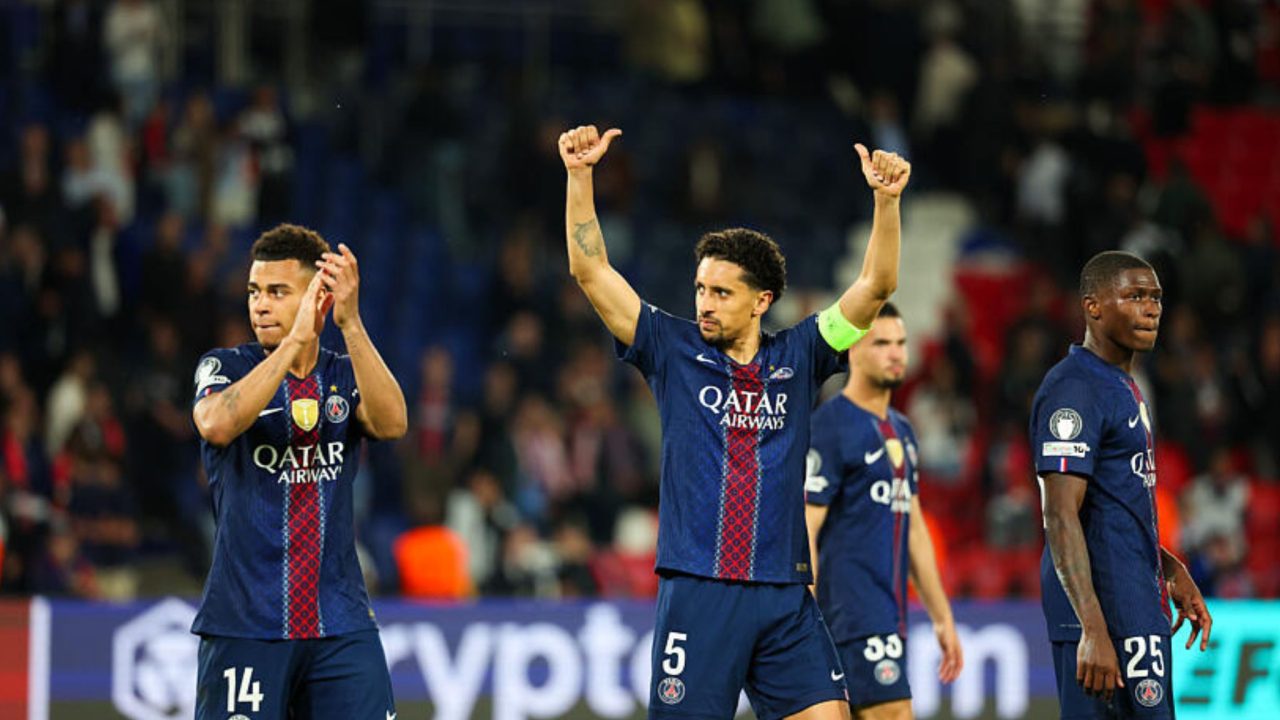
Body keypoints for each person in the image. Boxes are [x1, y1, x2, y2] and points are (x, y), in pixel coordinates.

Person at [559, 124, 908, 719]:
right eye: (700, 288)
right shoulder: (669, 347)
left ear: (761, 300)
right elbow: (591, 271)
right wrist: (579, 177)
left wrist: (886, 202)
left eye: (721, 293)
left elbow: (876, 286)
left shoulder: (803, 353)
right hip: (700, 591)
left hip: (784, 596)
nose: (704, 303)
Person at [190, 224, 407, 719]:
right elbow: (216, 424)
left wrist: (350, 324)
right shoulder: (224, 367)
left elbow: (393, 422)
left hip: (340, 620)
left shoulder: (342, 375)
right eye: (254, 292)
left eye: (277, 292)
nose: (260, 306)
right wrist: (294, 343)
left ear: (318, 298)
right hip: (247, 622)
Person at [1031, 251, 1212, 719]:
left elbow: (1112, 507)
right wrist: (1092, 628)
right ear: (1092, 306)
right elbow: (1059, 513)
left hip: (1134, 601)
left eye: (1156, 298)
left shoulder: (1121, 385)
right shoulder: (1074, 389)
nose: (1150, 309)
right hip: (1107, 616)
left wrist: (1168, 568)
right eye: (1134, 296)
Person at [805, 303, 963, 718]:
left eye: (901, 343)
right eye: (882, 344)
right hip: (850, 613)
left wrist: (942, 617)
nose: (896, 353)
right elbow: (806, 526)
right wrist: (805, 617)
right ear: (853, 349)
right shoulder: (831, 426)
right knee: (894, 713)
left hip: (889, 614)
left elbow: (914, 528)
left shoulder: (903, 429)